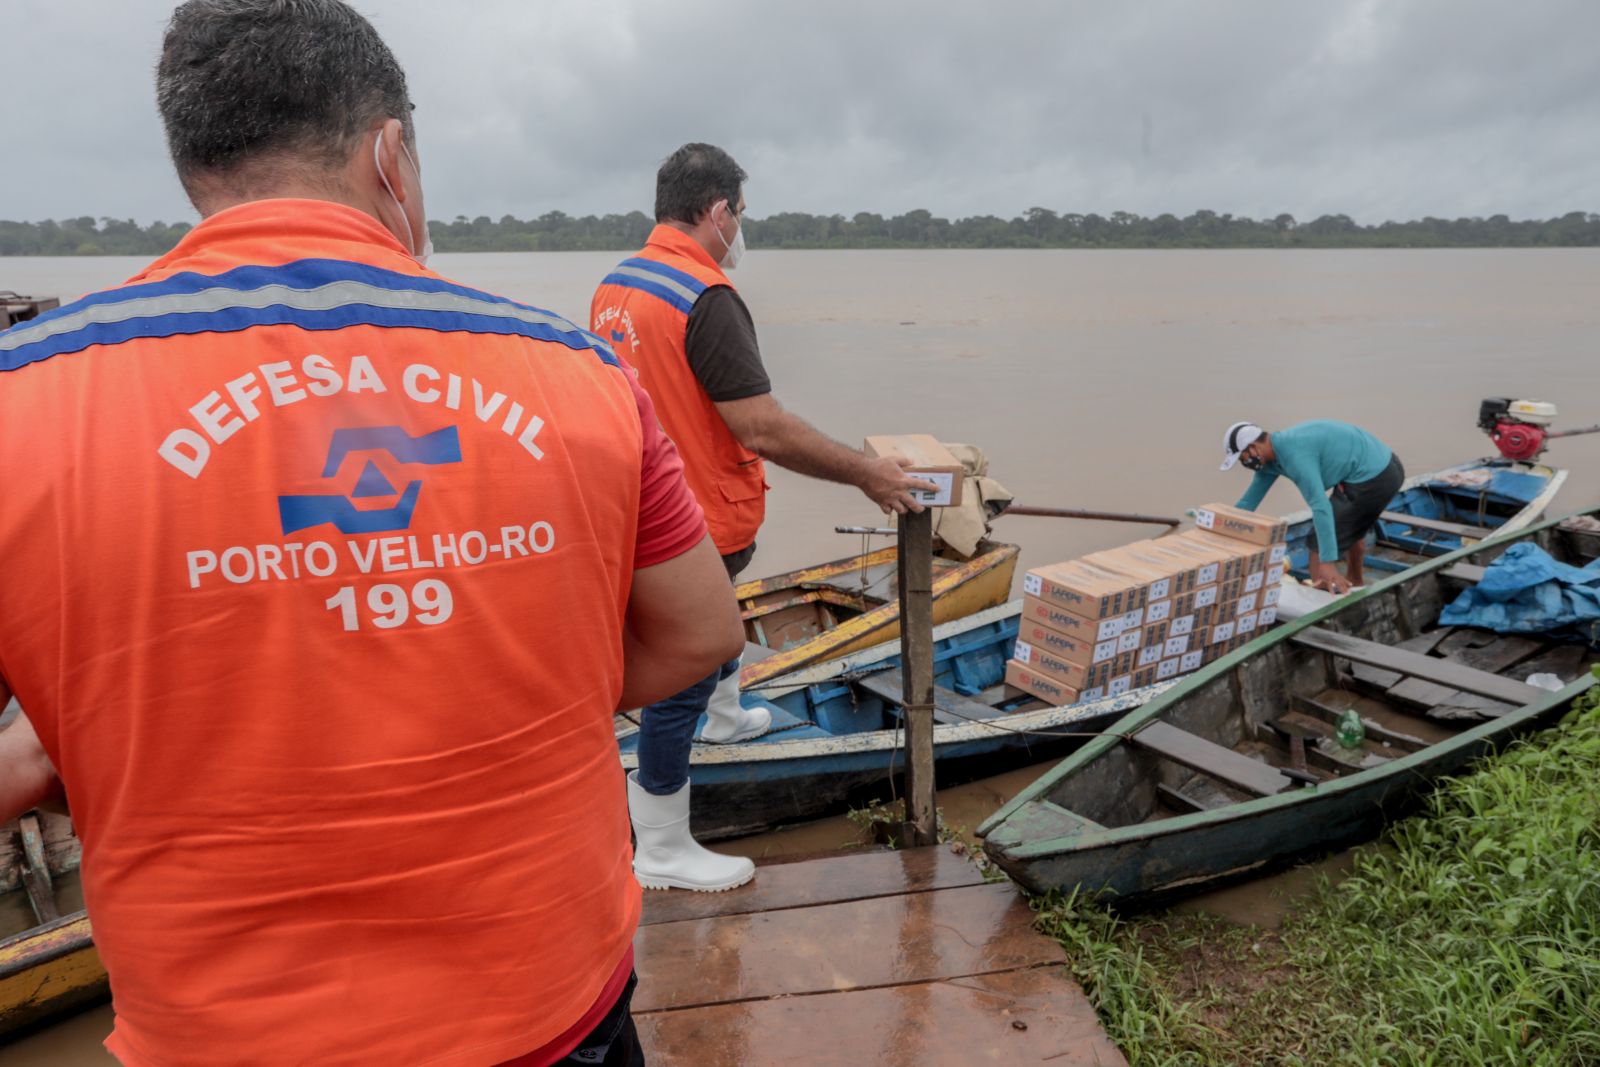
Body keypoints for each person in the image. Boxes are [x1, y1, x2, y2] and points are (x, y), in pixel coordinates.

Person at [0, 2, 745, 1063]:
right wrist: (497, 694)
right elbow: (700, 630)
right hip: (547, 999)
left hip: (226, 1031)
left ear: (194, 165)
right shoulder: (577, 372)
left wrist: (77, 739)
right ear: (391, 155)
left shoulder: (28, 395)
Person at [591, 143, 934, 893]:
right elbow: (761, 426)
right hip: (694, 517)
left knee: (718, 622)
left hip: (641, 506)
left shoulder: (619, 283)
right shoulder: (705, 296)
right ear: (717, 212)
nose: (741, 229)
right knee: (680, 675)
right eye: (740, 214)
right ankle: (661, 844)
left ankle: (725, 715)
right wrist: (866, 472)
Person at [1221, 419, 1405, 594]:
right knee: (1346, 523)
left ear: (1253, 447)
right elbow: (1248, 502)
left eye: (1242, 458)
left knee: (1317, 542)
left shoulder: (1294, 455)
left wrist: (1327, 562)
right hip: (1376, 465)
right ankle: (1356, 581)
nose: (1244, 463)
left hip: (1376, 476)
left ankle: (1324, 598)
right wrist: (1220, 531)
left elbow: (1320, 506)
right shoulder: (1271, 459)